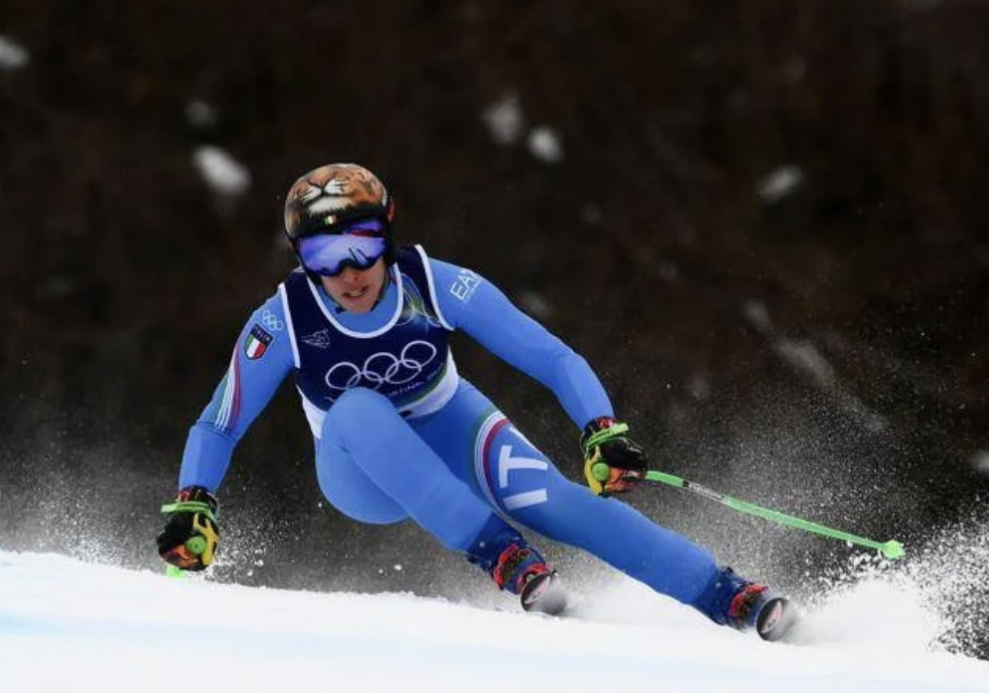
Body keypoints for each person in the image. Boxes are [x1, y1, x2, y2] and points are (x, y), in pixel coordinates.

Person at [156, 163, 794, 640]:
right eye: (326, 255)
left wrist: (601, 430)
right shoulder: (283, 319)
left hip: (449, 425)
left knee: (561, 501)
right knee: (357, 407)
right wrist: (195, 503)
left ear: (388, 234)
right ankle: (503, 555)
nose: (350, 272)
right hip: (362, 473)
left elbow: (552, 356)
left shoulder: (435, 283)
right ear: (301, 258)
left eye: (365, 245)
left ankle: (724, 594)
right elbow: (219, 422)